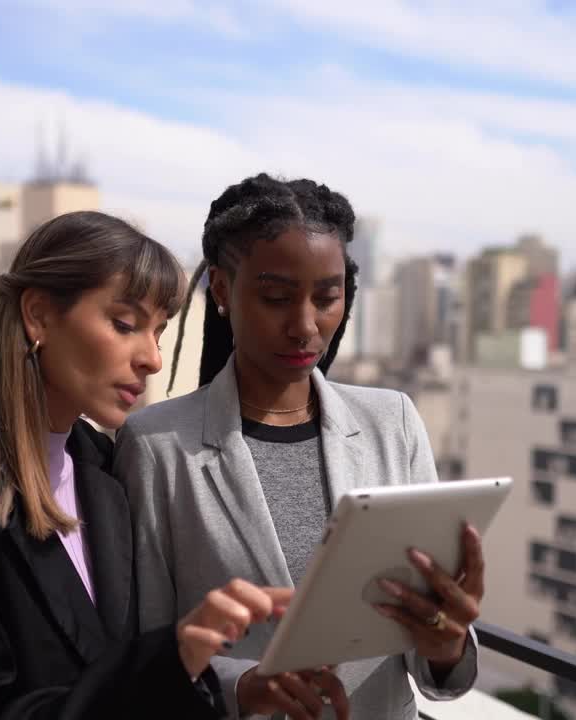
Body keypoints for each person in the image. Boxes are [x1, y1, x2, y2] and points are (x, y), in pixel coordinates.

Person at [0, 211, 312, 719]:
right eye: (124, 324)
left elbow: (117, 667)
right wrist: (169, 660)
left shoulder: (103, 465)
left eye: (159, 333)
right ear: (38, 315)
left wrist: (232, 688)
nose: (152, 359)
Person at [115, 175, 486, 719]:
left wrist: (446, 644)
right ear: (221, 290)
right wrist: (242, 689)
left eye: (328, 297)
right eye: (276, 298)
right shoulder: (156, 446)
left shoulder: (394, 423)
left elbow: (429, 659)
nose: (306, 325)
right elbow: (147, 649)